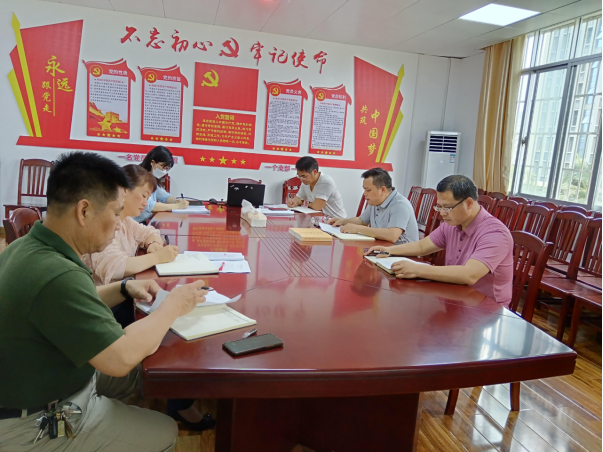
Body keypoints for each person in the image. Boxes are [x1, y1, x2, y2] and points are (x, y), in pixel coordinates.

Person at [0, 151, 209, 451]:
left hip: (54, 377)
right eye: (115, 213)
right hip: (35, 419)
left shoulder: (27, 247)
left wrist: (123, 288)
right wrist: (174, 304)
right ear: (84, 211)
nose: (118, 224)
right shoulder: (57, 274)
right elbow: (120, 358)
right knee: (165, 431)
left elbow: (71, 300)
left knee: (142, 371)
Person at [366, 175, 513, 307]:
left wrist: (417, 269)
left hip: (486, 308)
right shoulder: (453, 224)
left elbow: (469, 274)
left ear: (469, 203)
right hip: (456, 293)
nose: (442, 213)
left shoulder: (495, 234)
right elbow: (422, 246)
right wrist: (389, 250)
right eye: (439, 207)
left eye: (447, 207)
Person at [82, 164, 178, 286]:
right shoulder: (103, 221)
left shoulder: (126, 221)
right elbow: (115, 267)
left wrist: (154, 243)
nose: (145, 203)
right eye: (144, 196)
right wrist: (157, 257)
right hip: (104, 295)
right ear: (124, 190)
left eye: (148, 198)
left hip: (125, 288)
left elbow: (149, 232)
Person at [329, 168, 419, 244]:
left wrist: (358, 229)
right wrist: (343, 221)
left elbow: (392, 235)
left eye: (368, 190)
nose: (364, 194)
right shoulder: (375, 201)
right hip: (383, 247)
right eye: (364, 190)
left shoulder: (400, 205)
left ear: (382, 190)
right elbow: (362, 221)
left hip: (402, 254)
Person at [133, 146, 189, 223]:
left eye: (167, 169)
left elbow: (164, 196)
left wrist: (177, 201)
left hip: (143, 222)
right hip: (132, 222)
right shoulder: (139, 178)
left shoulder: (152, 179)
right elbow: (148, 205)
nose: (164, 171)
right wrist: (177, 206)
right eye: (163, 167)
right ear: (152, 162)